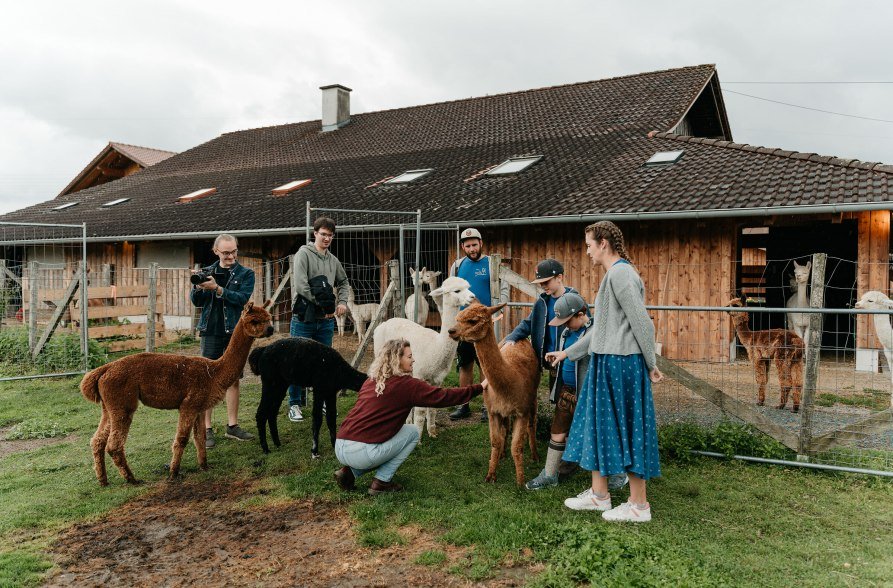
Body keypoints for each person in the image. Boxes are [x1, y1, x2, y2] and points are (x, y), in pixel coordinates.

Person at [547, 220, 663, 523]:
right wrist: (567, 353)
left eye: (588, 245)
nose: (586, 252)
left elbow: (642, 322)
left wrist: (650, 363)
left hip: (621, 363)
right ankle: (600, 495)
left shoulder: (622, 274)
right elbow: (600, 331)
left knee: (628, 427)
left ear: (603, 244)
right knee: (597, 425)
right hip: (605, 361)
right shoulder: (613, 274)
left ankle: (639, 505)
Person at [334, 339, 487, 495]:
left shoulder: (371, 380)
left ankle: (349, 473)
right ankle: (381, 482)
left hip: (340, 445)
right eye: (409, 356)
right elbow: (444, 397)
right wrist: (480, 387)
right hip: (362, 452)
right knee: (412, 432)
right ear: (397, 359)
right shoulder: (407, 385)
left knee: (391, 436)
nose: (413, 359)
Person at [190, 233, 256, 447]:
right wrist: (198, 286)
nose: (230, 256)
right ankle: (207, 429)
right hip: (210, 331)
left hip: (235, 334)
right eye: (226, 252)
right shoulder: (207, 272)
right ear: (216, 251)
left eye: (234, 251)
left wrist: (218, 289)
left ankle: (232, 426)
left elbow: (242, 299)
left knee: (233, 379)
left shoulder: (246, 274)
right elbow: (196, 302)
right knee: (208, 380)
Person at [288, 216, 349, 422]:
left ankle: (322, 401)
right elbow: (301, 286)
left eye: (330, 235)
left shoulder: (333, 260)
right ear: (315, 233)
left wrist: (342, 302)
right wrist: (323, 304)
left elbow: (343, 281)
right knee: (297, 361)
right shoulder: (303, 254)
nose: (326, 238)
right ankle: (294, 404)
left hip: (325, 320)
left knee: (324, 362)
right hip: (304, 317)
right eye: (323, 234)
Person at [447, 227, 508, 422]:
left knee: (486, 364)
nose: (472, 249)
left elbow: (504, 289)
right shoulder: (457, 266)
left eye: (475, 245)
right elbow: (451, 292)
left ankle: (486, 404)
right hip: (464, 325)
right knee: (465, 364)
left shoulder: (492, 264)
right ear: (462, 247)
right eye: (468, 246)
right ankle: (463, 405)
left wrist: (494, 310)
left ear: (481, 244)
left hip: (484, 325)